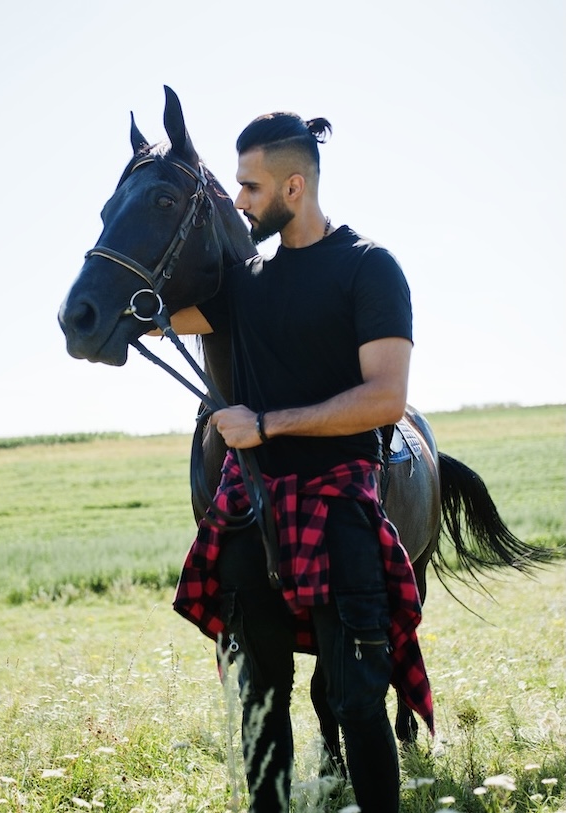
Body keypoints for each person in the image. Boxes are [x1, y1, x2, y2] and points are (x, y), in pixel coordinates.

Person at [171, 111, 433, 813]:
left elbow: (385, 398)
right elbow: (159, 310)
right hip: (248, 514)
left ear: (293, 185)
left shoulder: (367, 266)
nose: (240, 201)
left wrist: (264, 423)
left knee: (354, 701)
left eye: (249, 188)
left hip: (338, 507)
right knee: (261, 702)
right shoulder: (241, 281)